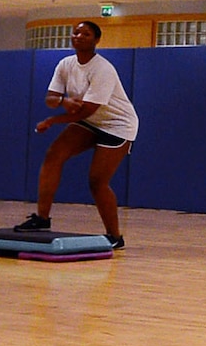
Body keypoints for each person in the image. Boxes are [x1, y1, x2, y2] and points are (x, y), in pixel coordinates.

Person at [14, 20, 137, 249]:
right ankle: (42, 219)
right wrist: (64, 101)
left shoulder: (103, 69)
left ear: (96, 40)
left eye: (86, 34)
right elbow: (50, 99)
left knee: (97, 181)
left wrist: (52, 121)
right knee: (54, 155)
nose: (79, 36)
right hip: (90, 122)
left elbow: (87, 110)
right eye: (76, 32)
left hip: (117, 125)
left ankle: (115, 236)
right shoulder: (65, 64)